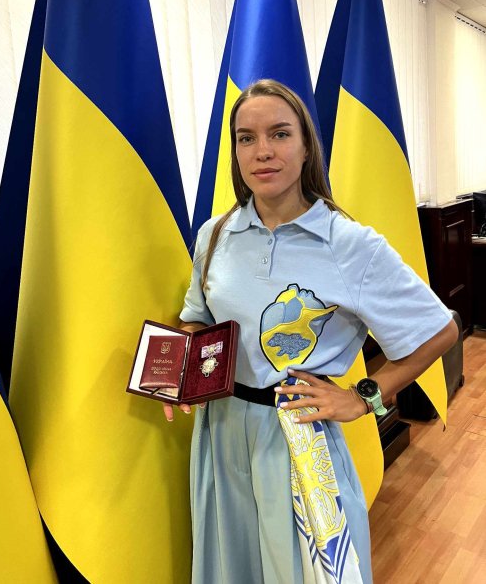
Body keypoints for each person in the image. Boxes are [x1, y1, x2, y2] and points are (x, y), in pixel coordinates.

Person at [163, 79, 458, 584]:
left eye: (279, 134)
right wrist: (180, 367)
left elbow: (439, 329)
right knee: (231, 567)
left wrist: (364, 398)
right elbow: (197, 318)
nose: (262, 151)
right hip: (220, 431)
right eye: (246, 138)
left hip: (298, 436)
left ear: (306, 147)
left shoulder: (349, 244)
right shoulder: (214, 235)